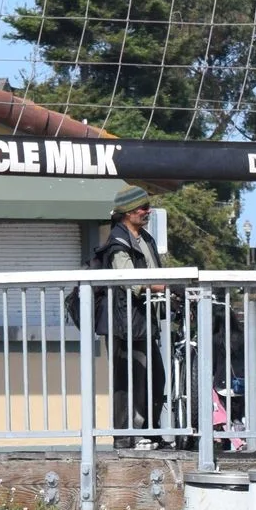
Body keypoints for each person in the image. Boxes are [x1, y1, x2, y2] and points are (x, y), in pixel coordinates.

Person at [93, 185, 172, 449]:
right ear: (127, 212)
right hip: (122, 324)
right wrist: (166, 286)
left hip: (142, 321)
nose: (147, 211)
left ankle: (149, 432)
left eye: (148, 207)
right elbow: (132, 281)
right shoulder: (118, 243)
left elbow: (156, 273)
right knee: (127, 380)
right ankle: (125, 438)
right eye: (142, 208)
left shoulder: (145, 238)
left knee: (155, 376)